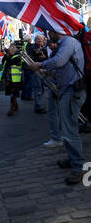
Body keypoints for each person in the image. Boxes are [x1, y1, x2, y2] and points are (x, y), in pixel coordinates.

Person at [29, 30, 86, 185]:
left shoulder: (68, 42)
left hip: (72, 91)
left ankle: (77, 166)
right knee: (67, 128)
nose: (48, 36)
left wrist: (40, 64)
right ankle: (73, 158)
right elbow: (63, 68)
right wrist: (48, 72)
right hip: (67, 90)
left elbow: (60, 61)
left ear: (56, 31)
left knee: (70, 130)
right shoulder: (64, 43)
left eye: (49, 32)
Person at [42, 40, 63, 148]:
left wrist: (43, 67)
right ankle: (61, 136)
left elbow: (58, 67)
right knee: (59, 112)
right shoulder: (59, 50)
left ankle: (57, 137)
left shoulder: (58, 51)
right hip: (60, 84)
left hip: (57, 84)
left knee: (53, 111)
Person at [1, 43, 23, 116]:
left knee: (13, 93)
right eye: (10, 47)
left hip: (15, 79)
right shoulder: (8, 56)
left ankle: (11, 109)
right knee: (10, 93)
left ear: (16, 49)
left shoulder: (18, 56)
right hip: (8, 78)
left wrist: (7, 55)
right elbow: (3, 63)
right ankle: (15, 105)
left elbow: (11, 62)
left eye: (13, 47)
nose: (11, 48)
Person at [28, 34, 47, 113]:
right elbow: (30, 59)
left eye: (41, 40)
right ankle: (38, 106)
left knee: (41, 88)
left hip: (43, 70)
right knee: (38, 88)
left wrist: (44, 57)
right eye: (38, 39)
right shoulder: (32, 48)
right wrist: (38, 56)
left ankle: (39, 104)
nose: (40, 41)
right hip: (36, 71)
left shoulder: (44, 48)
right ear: (35, 40)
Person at [21, 35, 33, 101]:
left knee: (25, 81)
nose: (31, 40)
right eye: (30, 39)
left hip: (24, 63)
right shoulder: (28, 45)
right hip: (27, 63)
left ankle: (23, 95)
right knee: (29, 81)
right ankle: (28, 95)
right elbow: (29, 54)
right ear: (28, 39)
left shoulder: (23, 44)